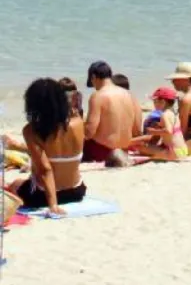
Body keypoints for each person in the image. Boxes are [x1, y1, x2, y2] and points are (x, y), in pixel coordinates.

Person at [8, 78, 87, 213]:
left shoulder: (31, 131)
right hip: (77, 191)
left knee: (15, 185)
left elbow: (46, 169)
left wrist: (53, 205)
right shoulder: (79, 122)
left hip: (42, 196)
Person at [83, 61, 142, 163]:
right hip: (125, 149)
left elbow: (89, 132)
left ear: (93, 77)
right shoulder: (130, 95)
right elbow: (137, 130)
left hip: (104, 151)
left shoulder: (97, 96)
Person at [130, 88, 190, 161]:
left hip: (173, 152)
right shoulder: (173, 115)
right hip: (183, 151)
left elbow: (168, 131)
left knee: (140, 147)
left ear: (163, 102)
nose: (153, 104)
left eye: (155, 101)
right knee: (153, 147)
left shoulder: (164, 115)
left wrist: (154, 131)